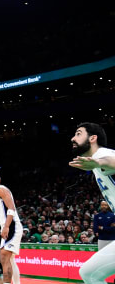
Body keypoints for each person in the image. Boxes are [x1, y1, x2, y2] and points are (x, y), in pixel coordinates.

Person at [69, 122, 115, 284]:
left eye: (78, 133)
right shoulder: (95, 163)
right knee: (89, 273)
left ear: (93, 138)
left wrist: (99, 163)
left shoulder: (102, 154)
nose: (73, 138)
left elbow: (112, 159)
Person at [0, 172, 23, 284]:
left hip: (12, 226)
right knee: (10, 260)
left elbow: (11, 208)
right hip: (8, 227)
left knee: (3, 256)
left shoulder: (2, 190)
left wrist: (6, 226)